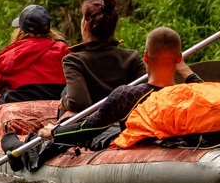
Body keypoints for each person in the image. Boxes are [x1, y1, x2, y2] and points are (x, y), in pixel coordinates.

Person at [41, 26, 201, 149]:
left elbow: (88, 129)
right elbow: (211, 96)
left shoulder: (127, 96)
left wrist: (54, 132)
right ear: (179, 59)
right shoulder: (190, 94)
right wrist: (188, 74)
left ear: (145, 56)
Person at [59, 0, 147, 113]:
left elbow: (79, 103)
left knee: (66, 92)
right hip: (127, 121)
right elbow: (144, 96)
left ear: (85, 25)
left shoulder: (74, 61)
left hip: (93, 127)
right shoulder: (133, 57)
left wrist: (64, 101)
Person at [0, 5, 70, 104]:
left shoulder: (11, 55)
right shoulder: (63, 49)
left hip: (17, 102)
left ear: (21, 31)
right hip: (58, 101)